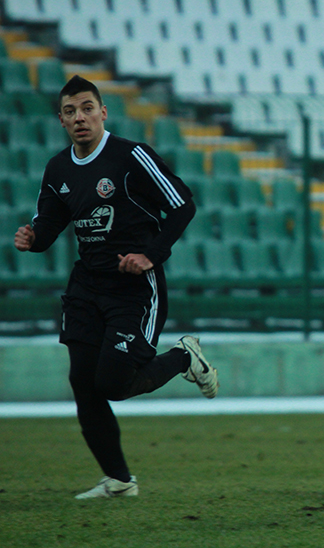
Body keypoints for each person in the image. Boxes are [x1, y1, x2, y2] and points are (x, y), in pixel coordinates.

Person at [13, 75, 219, 499]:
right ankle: (120, 482)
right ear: (61, 120)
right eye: (70, 111)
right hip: (87, 287)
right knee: (82, 383)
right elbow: (49, 227)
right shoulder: (58, 169)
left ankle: (184, 357)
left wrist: (150, 255)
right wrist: (33, 239)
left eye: (87, 108)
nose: (80, 117)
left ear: (103, 112)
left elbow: (182, 204)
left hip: (134, 287)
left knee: (112, 384)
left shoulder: (131, 156)